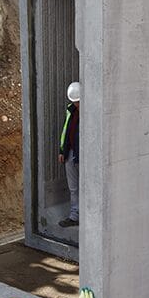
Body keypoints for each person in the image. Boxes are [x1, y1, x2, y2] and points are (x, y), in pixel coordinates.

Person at [57, 82, 80, 228]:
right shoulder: (70, 110)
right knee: (73, 187)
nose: (76, 104)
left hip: (84, 153)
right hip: (71, 152)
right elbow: (65, 130)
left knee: (87, 186)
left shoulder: (91, 111)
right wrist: (62, 151)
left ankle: (89, 215)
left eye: (78, 101)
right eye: (74, 102)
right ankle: (74, 216)